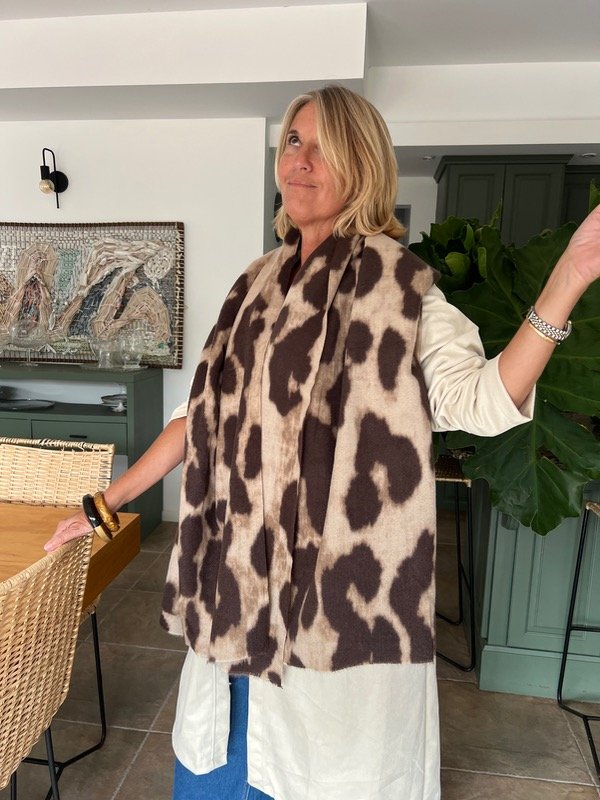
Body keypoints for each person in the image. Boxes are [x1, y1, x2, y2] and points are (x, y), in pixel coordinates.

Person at [46, 86, 600, 800]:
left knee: (316, 773)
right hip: (233, 588)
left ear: (360, 165)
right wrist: (104, 505)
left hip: (332, 602)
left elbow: (482, 400)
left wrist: (570, 277)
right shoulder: (255, 285)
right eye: (292, 142)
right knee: (217, 766)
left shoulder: (404, 289)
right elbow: (199, 415)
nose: (300, 161)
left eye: (322, 147)